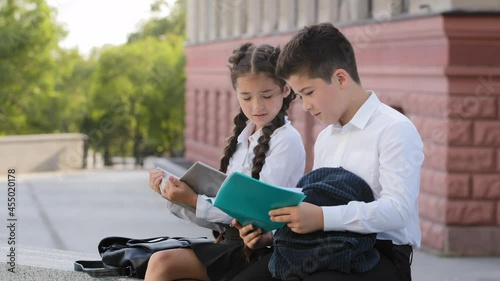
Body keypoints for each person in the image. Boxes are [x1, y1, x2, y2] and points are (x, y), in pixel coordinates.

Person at [233, 22, 424, 281]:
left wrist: (322, 217)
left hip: (381, 257)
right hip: (322, 247)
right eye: (300, 96)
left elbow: (398, 211)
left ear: (341, 78)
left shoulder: (394, 129)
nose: (306, 106)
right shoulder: (325, 138)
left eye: (309, 93)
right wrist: (271, 235)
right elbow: (316, 209)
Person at [145, 42, 306, 281]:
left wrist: (192, 199)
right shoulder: (243, 139)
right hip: (231, 244)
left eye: (266, 95)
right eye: (246, 96)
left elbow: (258, 214)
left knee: (163, 262)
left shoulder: (287, 140)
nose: (257, 106)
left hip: (264, 250)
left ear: (285, 89)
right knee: (157, 258)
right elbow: (221, 219)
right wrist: (175, 195)